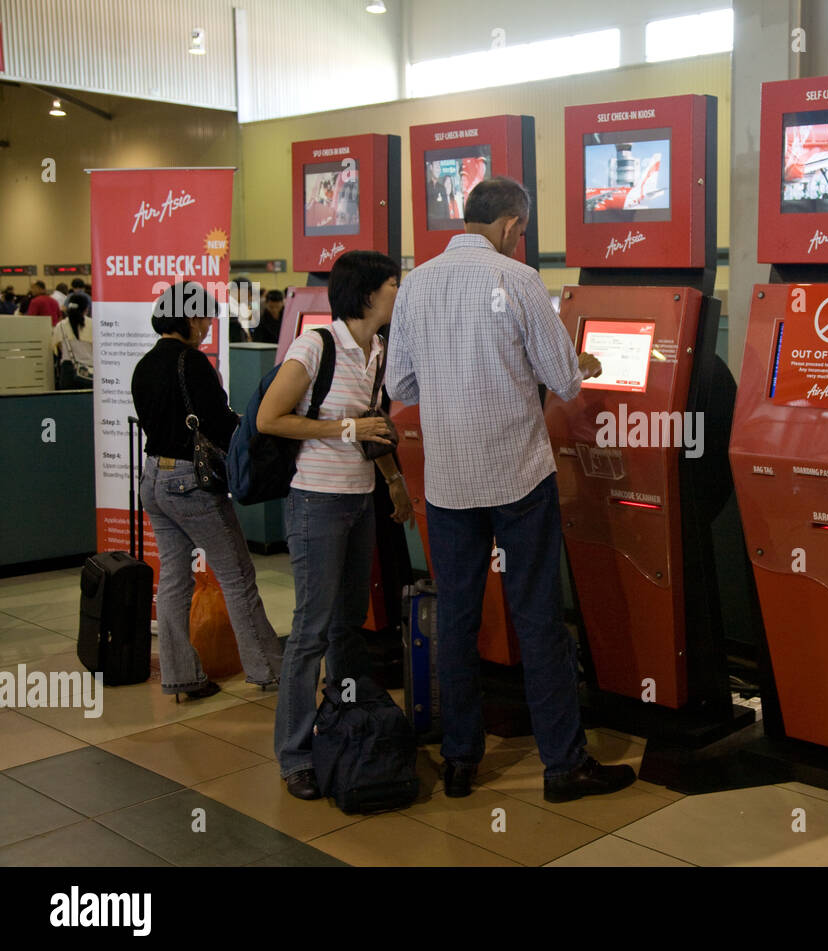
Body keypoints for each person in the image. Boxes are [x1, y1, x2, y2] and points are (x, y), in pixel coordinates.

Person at [387, 176, 636, 803]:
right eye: (520, 231)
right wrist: (582, 364)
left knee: (458, 619)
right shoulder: (519, 280)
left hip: (448, 483)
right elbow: (563, 380)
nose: (520, 240)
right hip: (517, 476)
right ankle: (562, 766)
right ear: (508, 226)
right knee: (538, 619)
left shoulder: (415, 285)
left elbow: (402, 387)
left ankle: (461, 762)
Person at [256, 250, 412, 801]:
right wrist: (344, 426)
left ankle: (344, 721)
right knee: (311, 630)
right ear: (369, 293)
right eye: (396, 282)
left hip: (359, 500)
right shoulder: (316, 345)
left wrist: (392, 479)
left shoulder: (378, 349)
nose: (402, 289)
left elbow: (372, 427)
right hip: (315, 504)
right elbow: (269, 417)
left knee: (347, 624)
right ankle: (294, 755)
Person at [131, 281, 283, 701]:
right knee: (237, 576)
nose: (206, 327)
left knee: (175, 579)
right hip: (189, 483)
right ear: (190, 318)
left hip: (153, 479)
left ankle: (180, 675)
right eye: (204, 319)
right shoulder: (191, 363)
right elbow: (217, 423)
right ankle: (269, 669)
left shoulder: (143, 365)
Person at [51, 292, 94, 387]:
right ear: (86, 309)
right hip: (90, 373)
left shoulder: (60, 326)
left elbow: (58, 349)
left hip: (68, 373)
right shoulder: (93, 325)